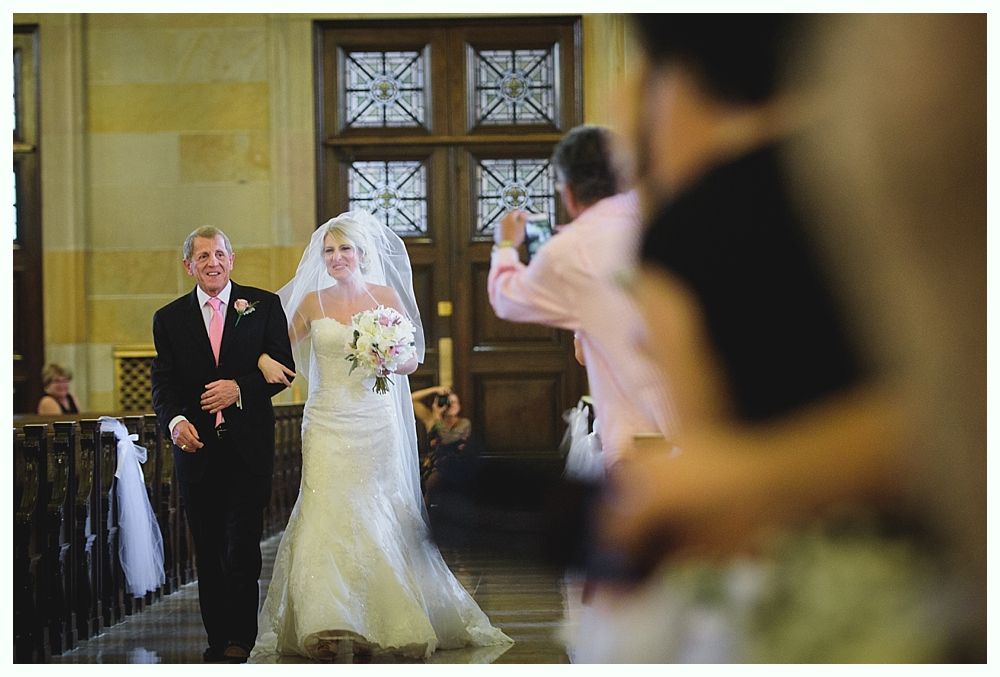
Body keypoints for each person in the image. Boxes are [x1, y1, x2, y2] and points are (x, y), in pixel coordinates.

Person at [587, 14, 957, 662]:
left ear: (673, 81)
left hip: (833, 581)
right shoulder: (906, 154)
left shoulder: (697, 232)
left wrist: (737, 481)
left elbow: (722, 481)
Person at [250, 210, 511, 662]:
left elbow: (411, 359)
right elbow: (276, 348)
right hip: (328, 417)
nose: (336, 258)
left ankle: (391, 616)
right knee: (326, 507)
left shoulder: (386, 295)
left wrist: (390, 356)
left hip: (376, 419)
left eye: (344, 249)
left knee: (382, 507)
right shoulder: (311, 303)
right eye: (329, 251)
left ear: (362, 253)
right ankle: (328, 620)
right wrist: (261, 362)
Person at [488, 124, 677, 467]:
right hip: (711, 422)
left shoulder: (567, 252)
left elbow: (507, 297)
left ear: (569, 193)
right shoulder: (671, 218)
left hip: (637, 433)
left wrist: (505, 246)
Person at [151, 226, 295, 664]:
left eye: (219, 254)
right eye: (202, 256)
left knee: (242, 544)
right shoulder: (169, 318)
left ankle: (240, 638)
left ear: (232, 260)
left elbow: (285, 370)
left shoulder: (264, 305)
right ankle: (217, 639)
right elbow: (165, 383)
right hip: (196, 450)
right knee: (208, 545)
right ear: (188, 266)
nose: (211, 262)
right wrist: (174, 422)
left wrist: (240, 388)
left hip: (248, 446)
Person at [411, 386, 473, 498]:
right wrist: (435, 390)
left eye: (455, 402)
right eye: (449, 402)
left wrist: (438, 418)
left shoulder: (464, 423)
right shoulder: (431, 419)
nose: (452, 405)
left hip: (454, 467)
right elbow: (412, 399)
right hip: (430, 467)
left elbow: (447, 439)